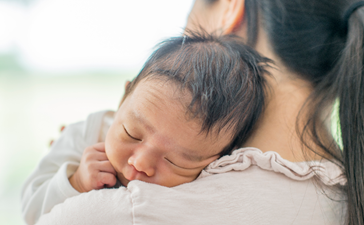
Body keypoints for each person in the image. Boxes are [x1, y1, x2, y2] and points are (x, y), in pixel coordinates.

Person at [30, 0, 364, 224]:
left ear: (229, 7)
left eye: (181, 159)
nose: (140, 164)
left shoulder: (119, 213)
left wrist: (70, 183)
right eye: (132, 132)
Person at [21, 33, 270, 224]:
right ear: (122, 99)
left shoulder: (219, 180)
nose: (140, 163)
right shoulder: (87, 133)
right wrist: (75, 182)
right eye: (131, 134)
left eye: (176, 161)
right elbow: (31, 211)